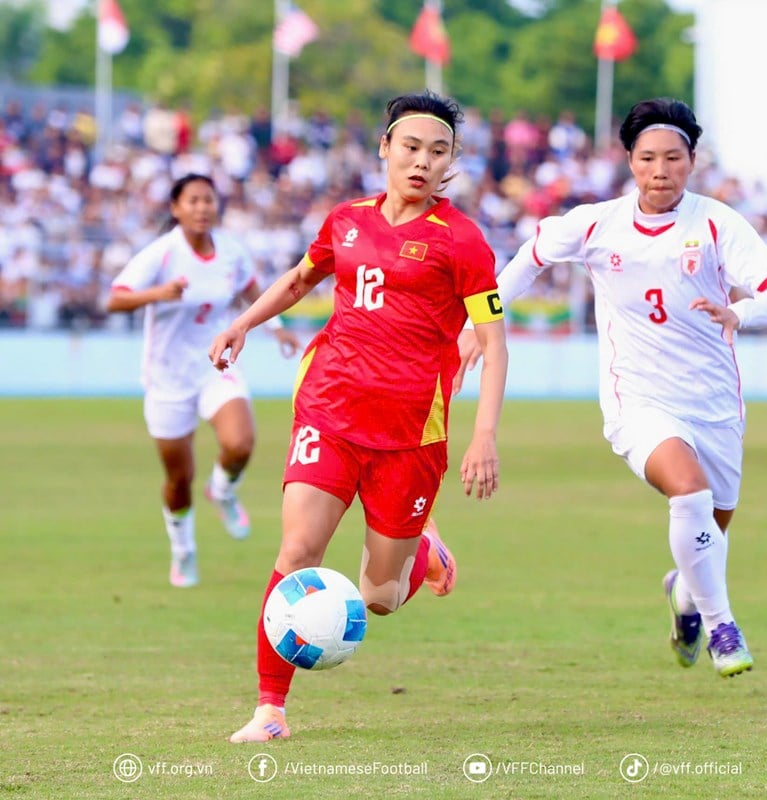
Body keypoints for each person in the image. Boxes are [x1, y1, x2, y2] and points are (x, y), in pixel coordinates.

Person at [456, 98, 767, 678]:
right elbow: (521, 264)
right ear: (630, 163)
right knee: (687, 494)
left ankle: (685, 594)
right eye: (647, 158)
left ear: (692, 161)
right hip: (637, 399)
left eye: (673, 158)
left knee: (711, 528)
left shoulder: (718, 224)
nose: (660, 170)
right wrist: (475, 325)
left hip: (713, 403)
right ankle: (722, 626)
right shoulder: (596, 223)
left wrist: (742, 313)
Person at [209, 91, 508, 743]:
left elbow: (491, 340)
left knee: (379, 597)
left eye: (438, 151)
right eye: (410, 147)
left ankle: (423, 548)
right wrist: (243, 324)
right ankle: (270, 710)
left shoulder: (462, 242)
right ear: (385, 148)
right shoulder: (345, 221)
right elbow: (299, 279)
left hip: (410, 439)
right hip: (330, 410)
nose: (422, 161)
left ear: (451, 162)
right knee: (296, 552)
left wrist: (483, 433)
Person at [106, 174, 301, 588]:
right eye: (192, 201)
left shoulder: (232, 252)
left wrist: (278, 328)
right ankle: (184, 550)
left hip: (216, 365)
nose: (201, 208)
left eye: (208, 200)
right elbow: (115, 297)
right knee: (179, 478)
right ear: (176, 208)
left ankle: (224, 492)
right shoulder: (161, 254)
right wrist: (158, 294)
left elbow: (254, 293)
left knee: (240, 442)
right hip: (167, 379)